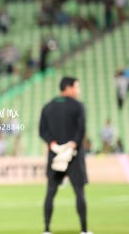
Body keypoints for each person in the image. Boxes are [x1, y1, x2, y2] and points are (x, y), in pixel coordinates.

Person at [39, 77, 93, 234]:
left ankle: (47, 230)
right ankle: (84, 230)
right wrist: (73, 144)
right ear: (68, 88)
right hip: (74, 154)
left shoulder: (48, 106)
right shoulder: (78, 106)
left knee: (50, 192)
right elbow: (81, 128)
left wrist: (53, 144)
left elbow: (42, 131)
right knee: (79, 192)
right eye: (77, 87)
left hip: (55, 154)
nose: (78, 90)